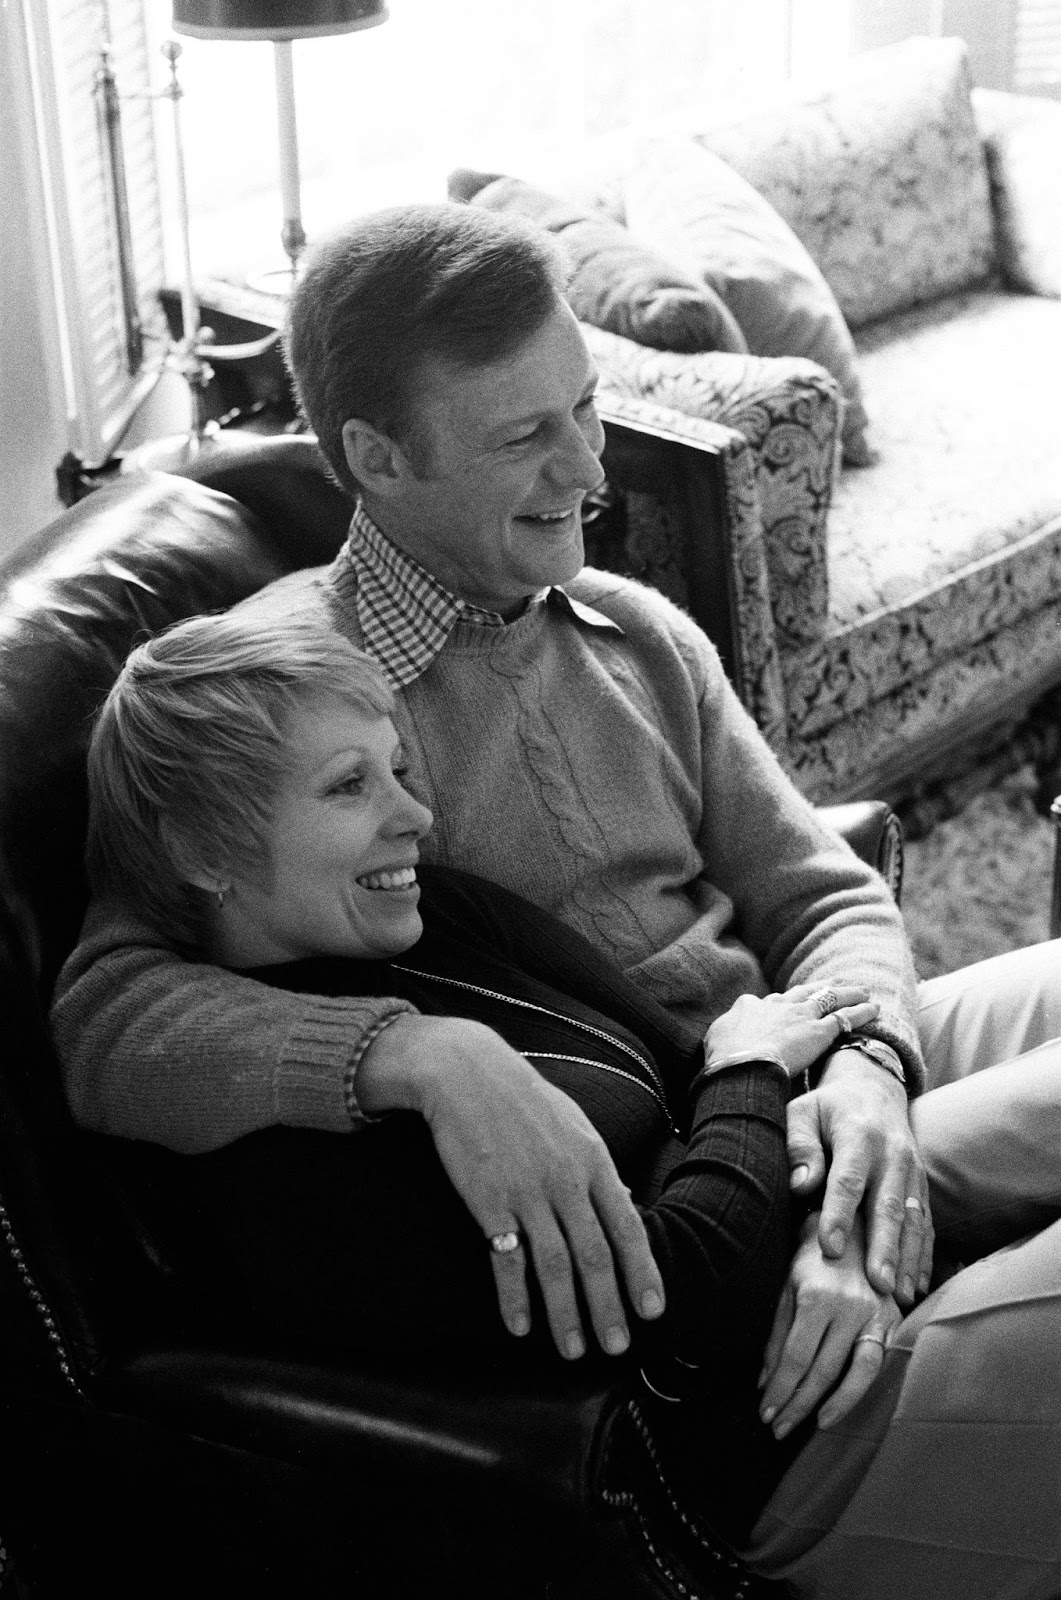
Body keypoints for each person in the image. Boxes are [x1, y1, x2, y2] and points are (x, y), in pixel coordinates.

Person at [50, 203, 1061, 1592]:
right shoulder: (294, 706)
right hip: (703, 1158)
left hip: (802, 1069)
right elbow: (107, 1013)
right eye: (526, 436)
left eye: (582, 409)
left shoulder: (630, 629)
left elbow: (821, 894)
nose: (589, 467)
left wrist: (875, 1064)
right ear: (374, 458)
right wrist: (413, 1053)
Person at [78, 607, 1061, 1600]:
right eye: (348, 786)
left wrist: (830, 1161)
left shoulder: (432, 915)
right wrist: (755, 1091)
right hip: (784, 1418)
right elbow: (686, 1289)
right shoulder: (280, 1151)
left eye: (396, 770)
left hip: (789, 1220)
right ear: (204, 849)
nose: (412, 815)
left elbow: (692, 1052)